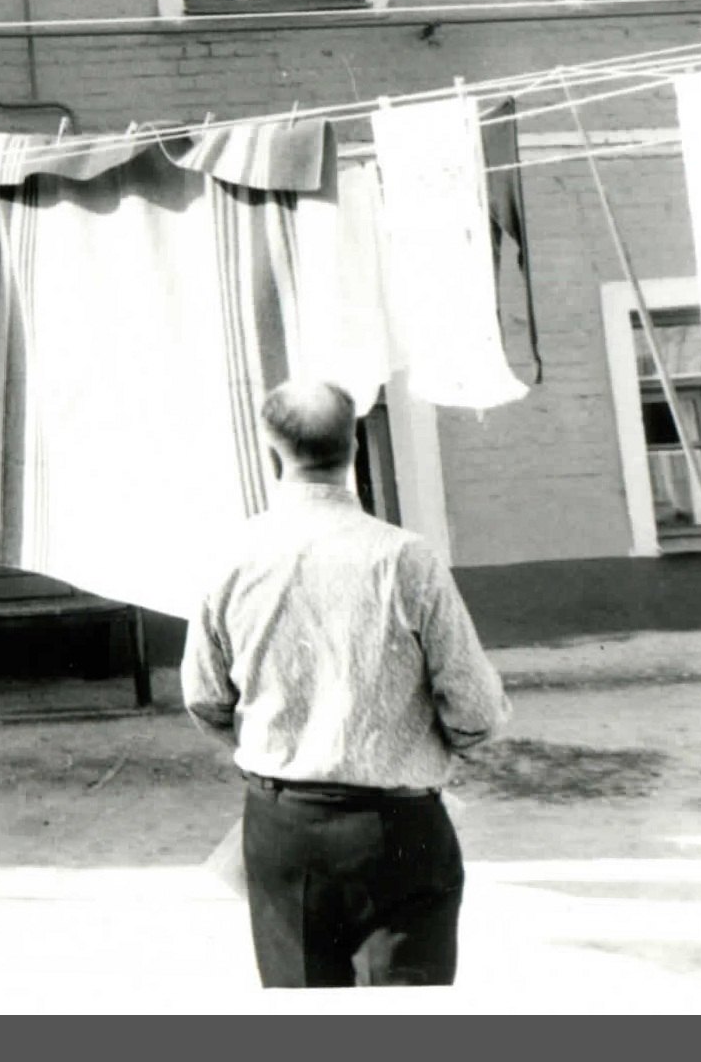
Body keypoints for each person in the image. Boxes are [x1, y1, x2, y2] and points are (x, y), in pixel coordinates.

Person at [181, 379, 510, 988]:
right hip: (400, 827)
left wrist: (286, 749)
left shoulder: (230, 558)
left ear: (271, 450)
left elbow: (205, 699)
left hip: (283, 823)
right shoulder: (406, 558)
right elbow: (476, 710)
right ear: (354, 443)